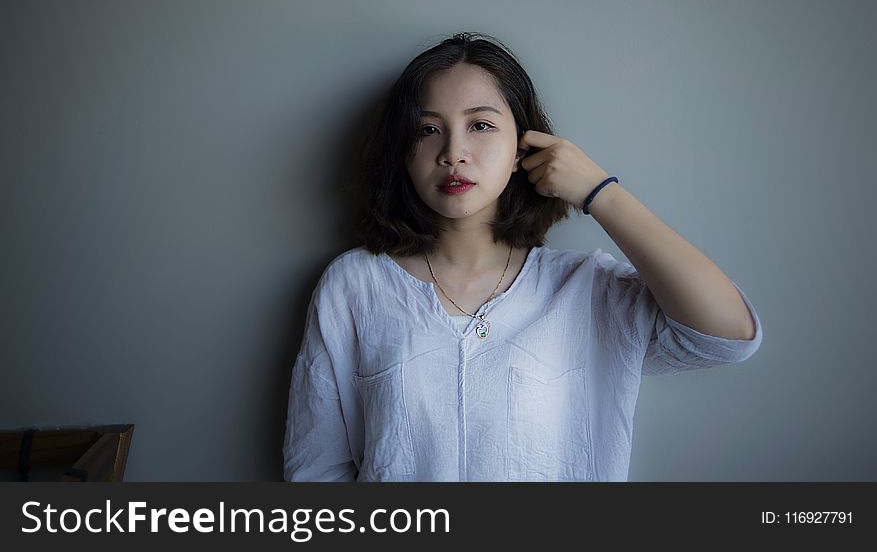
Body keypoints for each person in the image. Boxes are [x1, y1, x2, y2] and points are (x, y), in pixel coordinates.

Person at [282, 32, 763, 482]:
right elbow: (316, 471)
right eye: (428, 129)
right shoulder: (354, 286)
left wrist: (600, 193)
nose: (454, 152)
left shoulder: (586, 290)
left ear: (521, 147)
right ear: (404, 152)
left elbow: (728, 336)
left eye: (481, 125)